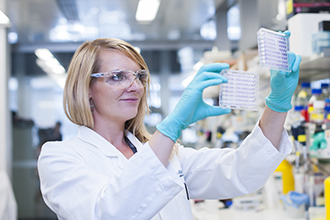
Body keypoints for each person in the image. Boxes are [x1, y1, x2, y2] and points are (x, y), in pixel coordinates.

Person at [37, 31, 302, 220]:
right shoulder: (60, 157)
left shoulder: (168, 155)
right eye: (117, 77)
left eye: (139, 76)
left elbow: (241, 173)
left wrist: (278, 104)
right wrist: (172, 125)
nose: (135, 86)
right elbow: (109, 212)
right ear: (87, 89)